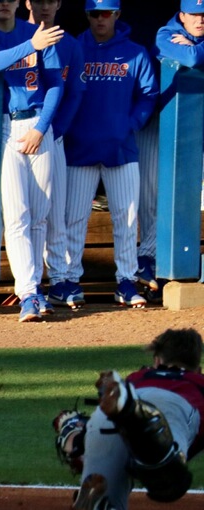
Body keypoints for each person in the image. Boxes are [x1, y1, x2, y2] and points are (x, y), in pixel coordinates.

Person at [53, 328, 203, 510]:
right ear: (197, 365)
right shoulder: (198, 383)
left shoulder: (138, 377)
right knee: (169, 477)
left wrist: (72, 430)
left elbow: (77, 449)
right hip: (172, 408)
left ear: (157, 360)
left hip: (106, 417)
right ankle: (143, 421)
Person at [0, 0, 64, 323]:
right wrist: (30, 45)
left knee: (40, 215)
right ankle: (27, 292)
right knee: (17, 215)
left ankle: (35, 288)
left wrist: (41, 128)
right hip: (6, 127)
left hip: (39, 124)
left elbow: (55, 84)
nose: (4, 3)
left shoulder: (36, 31)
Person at [62, 0, 158, 309]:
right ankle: (69, 280)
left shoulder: (135, 52)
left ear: (117, 14)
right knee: (74, 219)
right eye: (94, 13)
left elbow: (148, 94)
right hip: (80, 148)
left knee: (126, 219)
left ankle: (126, 281)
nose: (101, 19)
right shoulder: (74, 47)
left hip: (121, 148)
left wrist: (130, 124)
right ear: (87, 15)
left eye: (107, 13)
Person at [30, 0, 86, 312]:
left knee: (54, 209)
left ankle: (60, 279)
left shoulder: (71, 46)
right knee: (20, 212)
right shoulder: (18, 38)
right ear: (27, 3)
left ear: (59, 4)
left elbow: (75, 92)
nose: (45, 6)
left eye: (50, 0)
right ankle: (28, 281)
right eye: (38, 0)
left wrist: (56, 129)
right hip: (14, 133)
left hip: (52, 135)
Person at [147, 0, 204, 293]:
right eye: (194, 14)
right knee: (156, 197)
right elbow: (192, 60)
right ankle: (148, 263)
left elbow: (193, 54)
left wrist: (196, 47)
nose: (200, 19)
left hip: (196, 129)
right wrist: (195, 49)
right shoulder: (165, 33)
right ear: (182, 15)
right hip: (164, 127)